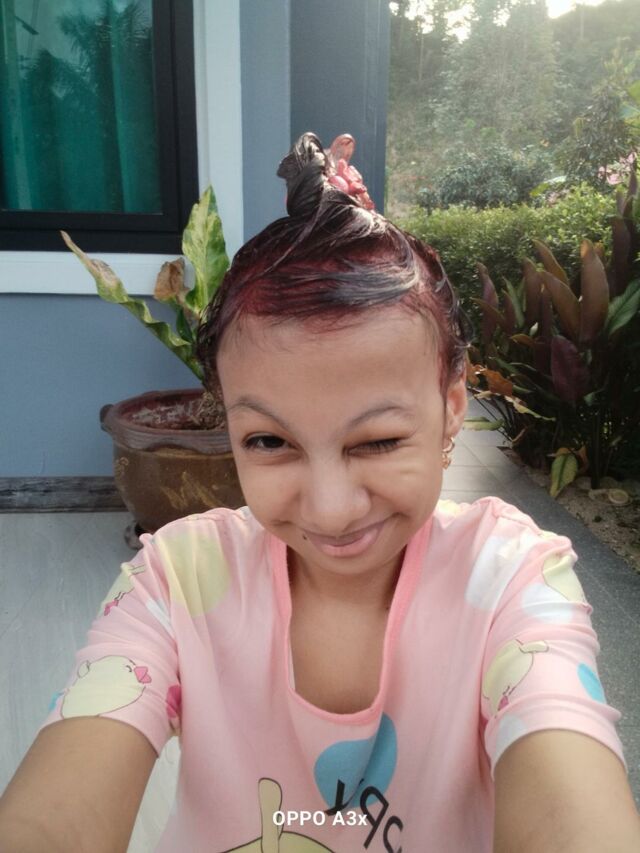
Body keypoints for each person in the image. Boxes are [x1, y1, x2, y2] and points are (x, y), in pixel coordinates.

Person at [1, 132, 639, 853]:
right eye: (270, 442)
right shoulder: (176, 583)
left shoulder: (510, 581)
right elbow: (56, 811)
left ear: (452, 407)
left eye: (378, 441)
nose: (331, 508)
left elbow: (569, 803)